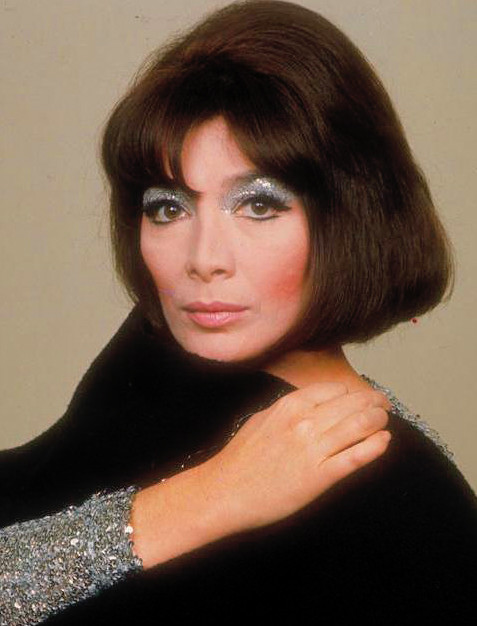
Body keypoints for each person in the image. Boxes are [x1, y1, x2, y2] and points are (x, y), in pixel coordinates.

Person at [1, 0, 476, 624]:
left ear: (350, 217)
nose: (203, 260)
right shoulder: (155, 356)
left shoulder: (407, 504)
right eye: (169, 207)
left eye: (258, 206)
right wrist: (209, 498)